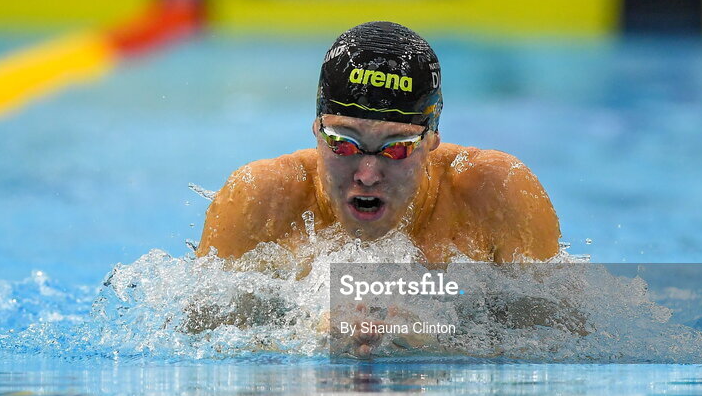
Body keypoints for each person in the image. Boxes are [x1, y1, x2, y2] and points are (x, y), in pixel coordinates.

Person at [196, 20, 561, 264]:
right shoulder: (261, 199)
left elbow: (568, 340)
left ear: (431, 138)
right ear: (317, 129)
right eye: (344, 144)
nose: (368, 175)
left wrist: (427, 330)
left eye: (396, 147)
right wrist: (310, 332)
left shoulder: (496, 192)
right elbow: (193, 342)